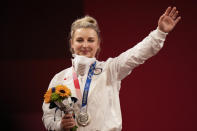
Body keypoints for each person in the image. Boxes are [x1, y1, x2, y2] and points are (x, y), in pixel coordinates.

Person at [42, 6, 181, 131]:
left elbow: (137, 53)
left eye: (90, 40)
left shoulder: (110, 69)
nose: (85, 45)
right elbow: (48, 117)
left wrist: (160, 33)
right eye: (79, 40)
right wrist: (60, 125)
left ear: (98, 44)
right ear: (71, 43)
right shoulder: (59, 78)